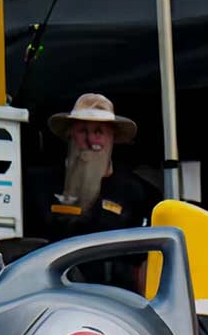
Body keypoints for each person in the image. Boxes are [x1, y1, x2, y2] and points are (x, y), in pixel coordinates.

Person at [23, 93, 159, 292]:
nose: (91, 140)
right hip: (50, 294)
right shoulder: (39, 183)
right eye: (82, 131)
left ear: (113, 137)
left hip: (113, 299)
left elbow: (142, 263)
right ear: (70, 134)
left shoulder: (136, 191)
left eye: (99, 132)